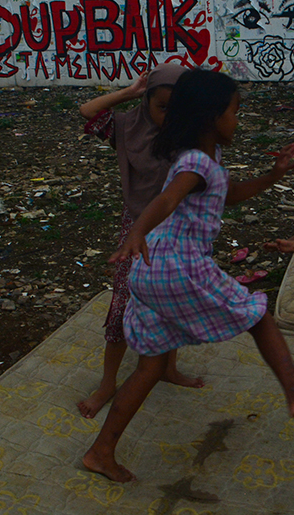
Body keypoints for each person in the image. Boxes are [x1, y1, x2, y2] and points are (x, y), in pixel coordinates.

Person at [82, 70, 294, 483]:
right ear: (211, 116)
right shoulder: (194, 162)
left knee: (149, 368)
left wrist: (273, 177)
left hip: (150, 271)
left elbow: (224, 194)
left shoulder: (201, 160)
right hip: (178, 267)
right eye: (234, 112)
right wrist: (136, 230)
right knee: (259, 315)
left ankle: (101, 452)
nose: (236, 121)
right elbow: (168, 198)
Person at [76, 64, 202, 419]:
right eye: (161, 106)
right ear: (146, 103)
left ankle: (168, 369)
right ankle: (107, 383)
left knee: (173, 302)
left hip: (179, 230)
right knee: (122, 304)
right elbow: (88, 112)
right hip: (136, 230)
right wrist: (130, 92)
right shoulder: (127, 128)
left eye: (177, 108)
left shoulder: (191, 136)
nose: (169, 116)